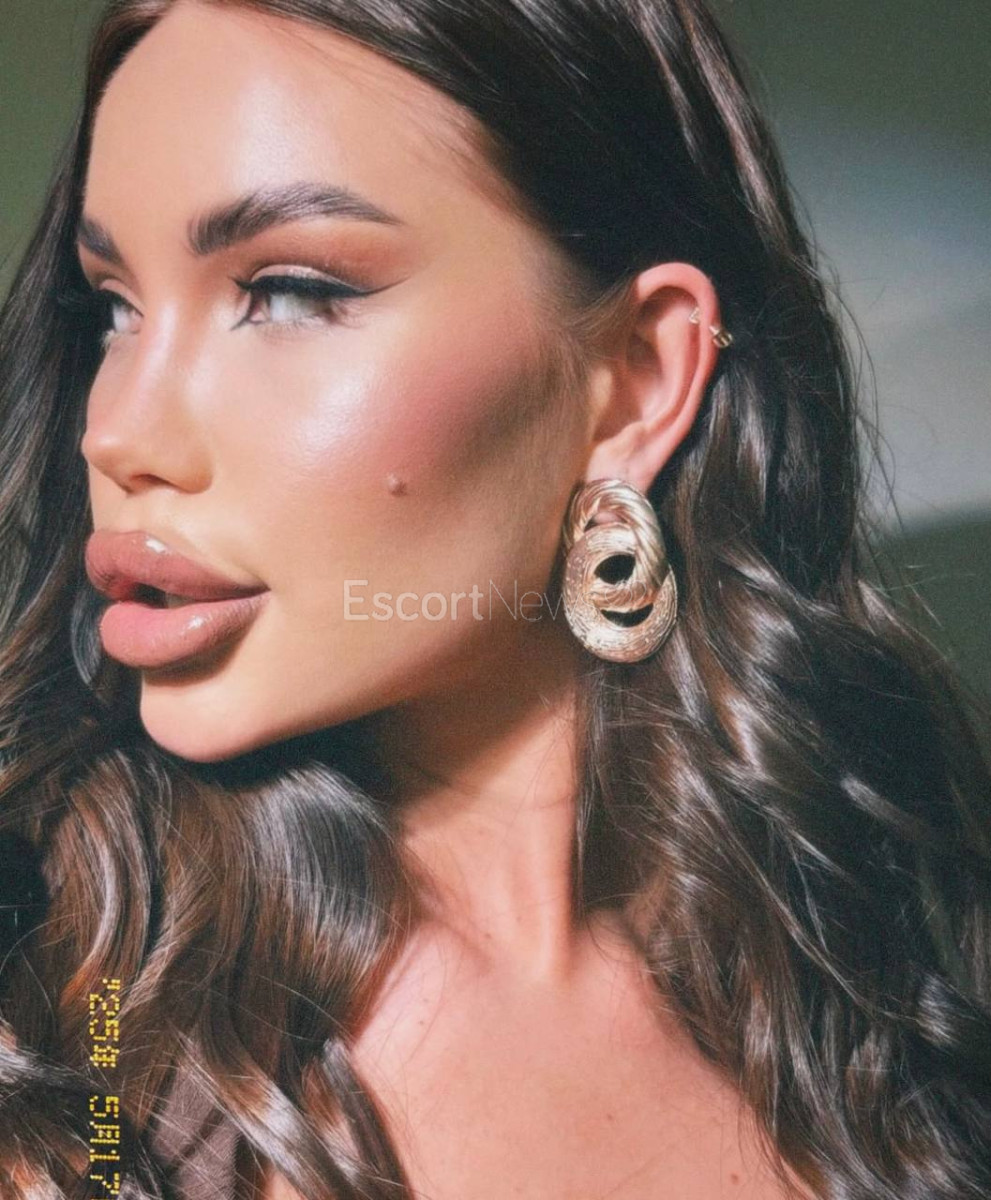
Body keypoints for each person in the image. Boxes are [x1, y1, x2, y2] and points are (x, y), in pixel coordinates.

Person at [0, 0, 988, 1197]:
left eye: (292, 291)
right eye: (114, 305)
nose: (116, 430)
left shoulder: (862, 980)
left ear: (634, 379)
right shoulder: (78, 1025)